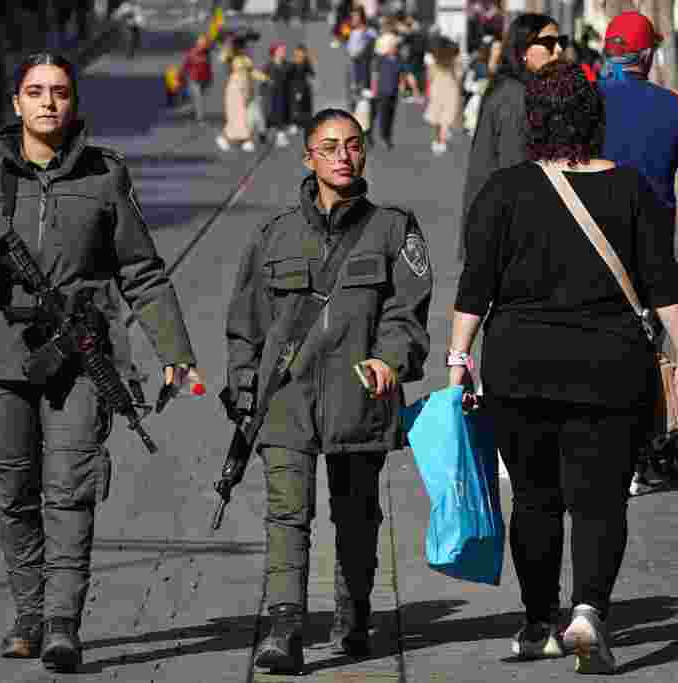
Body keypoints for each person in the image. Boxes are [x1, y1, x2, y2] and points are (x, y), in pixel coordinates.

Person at [0, 53, 202, 672]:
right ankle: (28, 614)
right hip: (0, 361)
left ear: (74, 103)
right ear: (16, 103)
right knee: (16, 491)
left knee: (71, 490)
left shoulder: (105, 176)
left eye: (60, 92)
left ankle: (61, 624)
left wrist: (175, 352)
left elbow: (142, 270)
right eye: (35, 92)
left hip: (79, 358)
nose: (48, 102)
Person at [450, 61, 678, 674]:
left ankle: (541, 624)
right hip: (611, 369)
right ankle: (589, 612)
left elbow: (475, 284)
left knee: (535, 501)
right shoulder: (634, 190)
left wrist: (458, 358)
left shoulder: (504, 191)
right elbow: (663, 284)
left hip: (519, 367)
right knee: (601, 501)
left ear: (535, 121)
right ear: (596, 120)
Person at [227, 108, 432, 674]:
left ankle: (354, 613)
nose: (343, 155)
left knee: (358, 514)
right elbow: (245, 324)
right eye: (330, 146)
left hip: (359, 395)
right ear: (308, 157)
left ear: (365, 153)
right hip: (286, 398)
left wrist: (391, 359)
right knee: (287, 514)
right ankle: (285, 628)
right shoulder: (272, 235)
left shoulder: (394, 229)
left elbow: (407, 313)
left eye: (353, 145)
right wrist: (244, 388)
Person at [596, 11, 678, 281]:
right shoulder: (677, 106)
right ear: (647, 55)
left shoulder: (582, 100)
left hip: (589, 236)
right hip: (653, 243)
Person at [457, 12, 562, 260]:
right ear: (524, 50)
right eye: (548, 43)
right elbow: (515, 174)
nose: (558, 50)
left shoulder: (517, 90)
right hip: (510, 238)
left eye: (560, 42)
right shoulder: (515, 98)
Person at [217, 35, 268, 152]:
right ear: (238, 48)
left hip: (246, 89)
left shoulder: (246, 59)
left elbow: (252, 71)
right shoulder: (231, 58)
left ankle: (241, 140)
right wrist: (228, 44)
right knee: (237, 116)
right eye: (243, 47)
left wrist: (265, 78)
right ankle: (230, 138)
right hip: (235, 89)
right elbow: (221, 57)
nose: (246, 49)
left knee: (244, 116)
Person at [422, 38, 461, 156]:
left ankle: (437, 139)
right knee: (447, 116)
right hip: (450, 87)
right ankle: (442, 141)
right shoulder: (454, 61)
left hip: (437, 87)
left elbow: (429, 76)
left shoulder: (435, 61)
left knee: (437, 116)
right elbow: (458, 76)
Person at [371, 32, 403, 150]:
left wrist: (402, 85)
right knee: (383, 115)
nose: (395, 48)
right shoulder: (381, 59)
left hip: (393, 92)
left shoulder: (398, 59)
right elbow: (375, 74)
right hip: (382, 91)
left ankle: (388, 136)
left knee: (391, 115)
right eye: (393, 46)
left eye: (396, 46)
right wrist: (374, 89)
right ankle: (384, 137)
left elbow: (401, 74)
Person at [262, 41, 293, 147]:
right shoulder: (268, 66)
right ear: (275, 52)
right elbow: (264, 81)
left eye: (283, 50)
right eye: (281, 50)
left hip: (283, 94)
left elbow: (290, 80)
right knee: (270, 115)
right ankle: (266, 133)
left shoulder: (287, 65)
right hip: (271, 94)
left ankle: (279, 136)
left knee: (281, 115)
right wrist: (263, 93)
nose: (283, 52)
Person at [181, 34, 214, 125]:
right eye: (202, 44)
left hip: (204, 80)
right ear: (198, 44)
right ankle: (200, 119)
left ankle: (192, 111)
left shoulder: (207, 54)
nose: (203, 46)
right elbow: (185, 66)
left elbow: (208, 67)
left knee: (197, 98)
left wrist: (210, 79)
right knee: (198, 98)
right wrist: (182, 77)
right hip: (194, 80)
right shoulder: (192, 53)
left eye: (205, 44)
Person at [287, 44, 315, 131]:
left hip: (304, 88)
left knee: (305, 106)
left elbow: (312, 73)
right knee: (295, 107)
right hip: (295, 88)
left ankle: (305, 123)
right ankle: (294, 124)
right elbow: (288, 76)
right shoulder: (293, 64)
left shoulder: (306, 63)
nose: (300, 55)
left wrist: (310, 61)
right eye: (298, 53)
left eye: (302, 53)